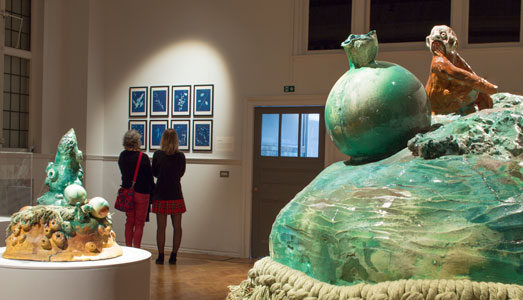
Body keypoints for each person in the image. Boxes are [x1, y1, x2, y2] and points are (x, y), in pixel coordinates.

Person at [151, 129, 186, 264]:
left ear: (163, 139)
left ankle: (160, 256)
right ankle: (173, 256)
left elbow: (154, 172)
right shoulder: (180, 156)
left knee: (161, 227)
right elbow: (181, 173)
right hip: (176, 193)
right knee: (177, 227)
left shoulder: (157, 155)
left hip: (160, 193)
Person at [118, 130, 154, 248]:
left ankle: (128, 248)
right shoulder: (143, 157)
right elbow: (150, 177)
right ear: (137, 142)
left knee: (129, 222)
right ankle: (137, 249)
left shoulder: (122, 156)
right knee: (139, 224)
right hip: (142, 193)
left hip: (128, 192)